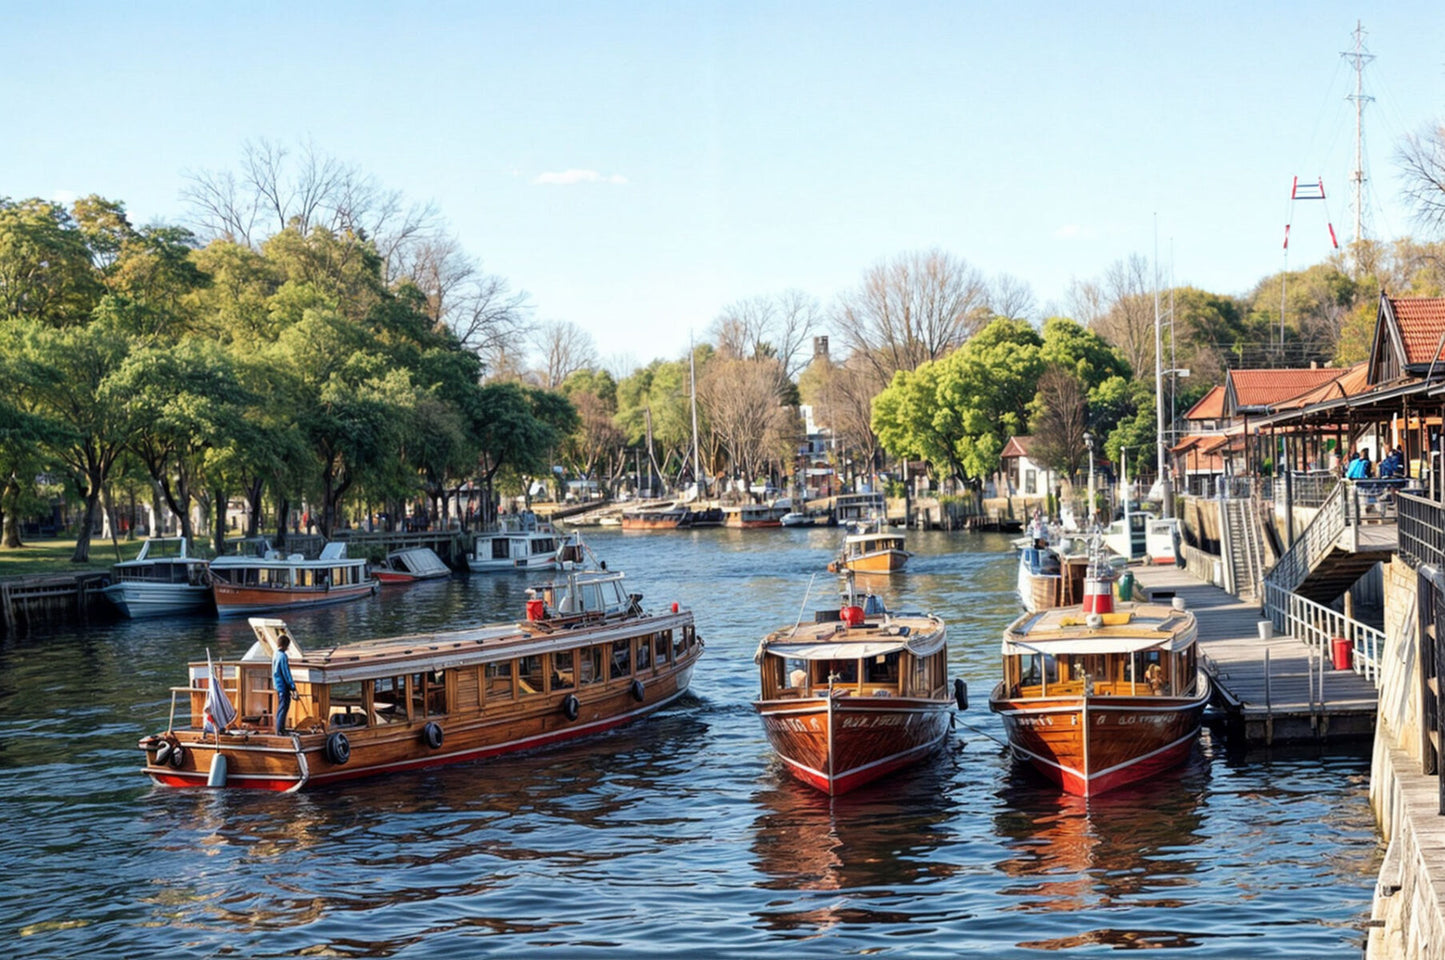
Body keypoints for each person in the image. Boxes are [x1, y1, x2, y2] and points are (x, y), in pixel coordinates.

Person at [272, 634, 298, 735]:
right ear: (285, 645)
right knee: (284, 707)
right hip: (283, 686)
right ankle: (280, 730)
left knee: (281, 707)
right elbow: (286, 673)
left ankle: (280, 728)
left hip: (277, 685)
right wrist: (292, 686)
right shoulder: (283, 656)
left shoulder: (275, 654)